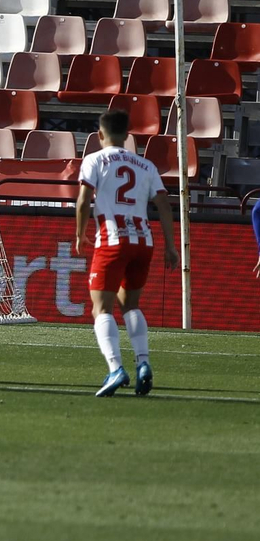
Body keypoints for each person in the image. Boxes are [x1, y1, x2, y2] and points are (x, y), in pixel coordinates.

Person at [74, 109, 178, 397]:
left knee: (101, 309)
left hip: (113, 239)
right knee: (130, 305)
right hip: (144, 241)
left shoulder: (94, 159)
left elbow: (83, 202)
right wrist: (170, 245)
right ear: (128, 136)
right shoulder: (145, 165)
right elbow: (165, 205)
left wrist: (80, 233)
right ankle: (144, 363)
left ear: (99, 135)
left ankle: (115, 368)